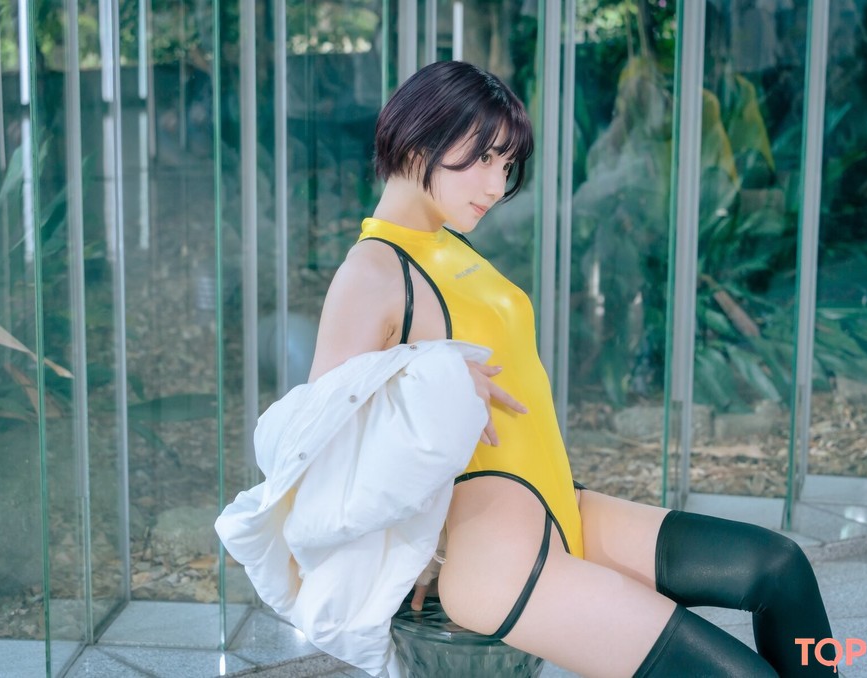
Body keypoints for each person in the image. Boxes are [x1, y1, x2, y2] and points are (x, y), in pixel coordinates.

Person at [307, 60, 836, 678]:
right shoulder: (371, 271)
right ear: (420, 138)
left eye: (506, 165)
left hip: (563, 504)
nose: (497, 185)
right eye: (484, 158)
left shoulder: (448, 244)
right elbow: (318, 440)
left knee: (779, 568)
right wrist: (422, 381)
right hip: (504, 559)